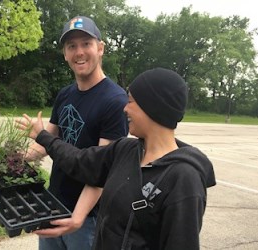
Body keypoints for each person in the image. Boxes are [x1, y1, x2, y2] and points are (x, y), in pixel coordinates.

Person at [17, 67, 216, 250]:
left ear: (152, 106)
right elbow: (78, 161)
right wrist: (44, 137)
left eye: (130, 101)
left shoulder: (184, 178)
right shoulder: (126, 150)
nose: (125, 109)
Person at [22, 16, 128, 249]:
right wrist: (11, 158)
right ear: (65, 54)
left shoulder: (115, 100)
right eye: (72, 46)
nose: (79, 52)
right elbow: (46, 142)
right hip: (53, 204)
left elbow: (104, 170)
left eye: (86, 44)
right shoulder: (65, 95)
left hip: (87, 218)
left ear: (100, 48)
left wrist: (77, 218)